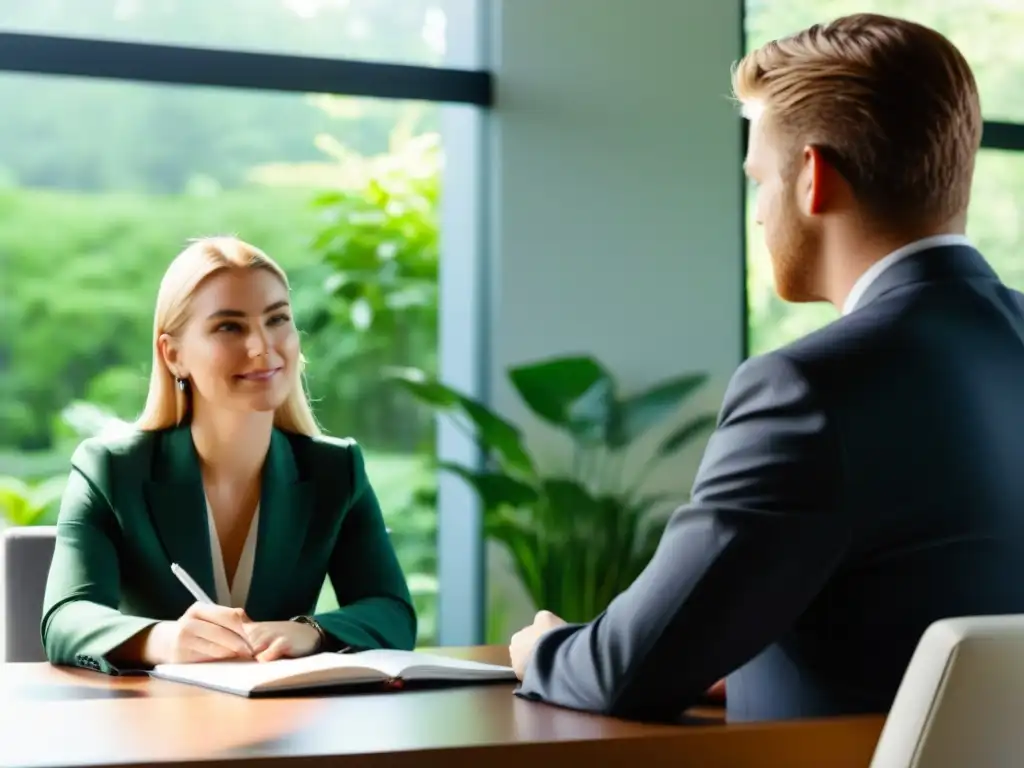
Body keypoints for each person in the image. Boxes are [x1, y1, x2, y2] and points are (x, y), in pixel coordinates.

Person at [509, 13, 1024, 723]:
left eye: (758, 178)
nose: (757, 213)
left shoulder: (810, 391)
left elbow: (627, 670)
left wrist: (545, 648)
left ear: (812, 178)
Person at [41, 236, 417, 673]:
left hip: (288, 727)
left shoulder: (336, 470)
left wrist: (310, 631)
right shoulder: (111, 469)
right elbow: (65, 619)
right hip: (153, 726)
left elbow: (392, 613)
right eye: (229, 327)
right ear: (173, 354)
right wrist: (164, 639)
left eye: (277, 319)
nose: (262, 346)